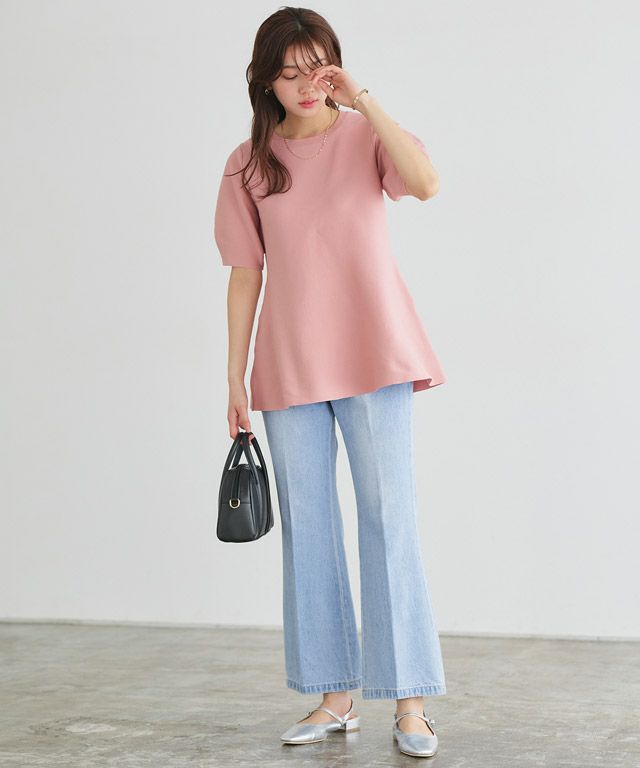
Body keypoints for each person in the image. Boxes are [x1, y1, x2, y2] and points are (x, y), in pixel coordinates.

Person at [213, 7, 447, 758]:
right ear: (264, 82)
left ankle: (410, 702)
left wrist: (364, 100)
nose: (305, 84)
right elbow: (244, 275)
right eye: (288, 73)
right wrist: (234, 376)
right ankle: (334, 697)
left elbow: (426, 183)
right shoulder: (248, 164)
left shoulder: (364, 137)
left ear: (335, 67)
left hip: (374, 353)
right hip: (289, 364)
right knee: (309, 530)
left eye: (316, 67)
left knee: (389, 520)